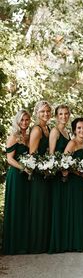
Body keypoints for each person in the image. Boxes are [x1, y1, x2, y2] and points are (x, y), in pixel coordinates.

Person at [3, 109, 31, 254]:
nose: (24, 123)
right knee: (16, 207)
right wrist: (23, 168)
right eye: (22, 120)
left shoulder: (28, 135)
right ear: (17, 121)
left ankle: (23, 244)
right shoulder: (14, 136)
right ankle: (14, 245)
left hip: (26, 176)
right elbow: (9, 159)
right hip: (16, 175)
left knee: (24, 208)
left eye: (27, 120)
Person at [63, 117, 83, 251]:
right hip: (74, 182)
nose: (82, 130)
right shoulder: (72, 144)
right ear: (74, 130)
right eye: (79, 128)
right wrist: (80, 174)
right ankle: (75, 243)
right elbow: (64, 164)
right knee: (76, 210)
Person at [29, 100, 52, 253]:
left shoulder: (48, 128)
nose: (45, 114)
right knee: (39, 207)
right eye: (42, 111)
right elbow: (32, 154)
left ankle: (44, 243)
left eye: (48, 111)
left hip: (48, 173)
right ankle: (37, 245)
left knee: (46, 207)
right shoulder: (37, 130)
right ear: (37, 113)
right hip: (39, 174)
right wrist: (43, 168)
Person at [48, 105, 70, 253]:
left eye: (66, 114)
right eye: (61, 114)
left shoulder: (67, 132)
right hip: (57, 175)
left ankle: (64, 242)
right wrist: (61, 168)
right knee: (57, 207)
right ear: (56, 116)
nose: (64, 116)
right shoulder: (55, 131)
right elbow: (51, 155)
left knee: (63, 207)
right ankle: (55, 244)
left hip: (66, 173)